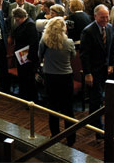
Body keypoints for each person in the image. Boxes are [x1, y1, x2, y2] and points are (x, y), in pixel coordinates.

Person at [38, 17, 76, 146]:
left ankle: (55, 135)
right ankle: (71, 138)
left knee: (52, 107)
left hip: (50, 76)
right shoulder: (69, 42)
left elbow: (39, 55)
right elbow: (73, 56)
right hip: (66, 77)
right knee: (68, 109)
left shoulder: (44, 41)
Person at [80, 4, 114, 134]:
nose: (105, 20)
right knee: (96, 98)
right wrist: (87, 73)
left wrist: (111, 64)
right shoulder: (88, 31)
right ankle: (98, 128)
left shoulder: (110, 28)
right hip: (93, 70)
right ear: (95, 16)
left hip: (105, 69)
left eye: (107, 17)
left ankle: (92, 120)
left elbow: (112, 48)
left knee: (100, 97)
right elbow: (84, 55)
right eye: (102, 17)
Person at [11, 7, 39, 102]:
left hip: (28, 57)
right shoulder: (24, 23)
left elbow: (34, 43)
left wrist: (30, 57)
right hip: (21, 56)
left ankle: (31, 99)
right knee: (23, 77)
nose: (15, 20)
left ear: (19, 17)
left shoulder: (30, 24)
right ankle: (24, 97)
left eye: (16, 18)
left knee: (29, 79)